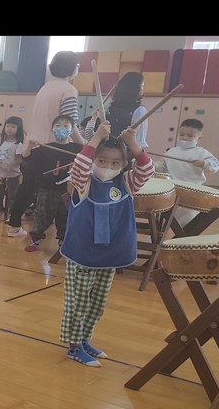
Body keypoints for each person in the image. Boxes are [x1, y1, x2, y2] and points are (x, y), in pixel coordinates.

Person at [58, 122, 154, 367]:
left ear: (124, 164)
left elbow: (146, 169)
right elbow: (79, 166)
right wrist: (95, 138)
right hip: (83, 254)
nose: (107, 167)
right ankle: (74, 346)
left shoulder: (126, 183)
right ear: (93, 160)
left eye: (115, 163)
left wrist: (133, 143)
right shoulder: (84, 181)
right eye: (101, 161)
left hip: (109, 255)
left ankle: (85, 339)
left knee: (97, 304)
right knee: (78, 303)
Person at [19, 115, 83, 250]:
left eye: (65, 126)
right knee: (41, 215)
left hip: (68, 189)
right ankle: (35, 240)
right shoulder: (45, 148)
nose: (61, 128)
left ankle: (63, 241)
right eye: (58, 125)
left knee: (65, 216)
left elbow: (90, 158)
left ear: (72, 130)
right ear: (52, 130)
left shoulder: (78, 149)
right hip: (46, 188)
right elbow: (26, 158)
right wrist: (29, 146)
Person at [152, 118, 219, 227]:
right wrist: (148, 165)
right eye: (182, 135)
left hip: (192, 192)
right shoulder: (172, 152)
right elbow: (162, 167)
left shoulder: (202, 153)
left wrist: (204, 163)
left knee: (188, 218)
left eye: (190, 136)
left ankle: (184, 236)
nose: (185, 138)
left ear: (199, 137)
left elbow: (215, 165)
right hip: (172, 190)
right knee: (165, 216)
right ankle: (161, 234)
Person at [83, 71, 149, 152]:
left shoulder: (110, 107)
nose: (142, 89)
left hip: (107, 151)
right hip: (121, 153)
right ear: (136, 88)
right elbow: (139, 140)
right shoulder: (139, 110)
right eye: (142, 86)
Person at [0, 116, 26, 224]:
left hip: (13, 175)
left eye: (13, 126)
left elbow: (19, 159)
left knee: (13, 196)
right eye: (8, 126)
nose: (9, 128)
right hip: (0, 174)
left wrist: (11, 165)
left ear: (18, 129)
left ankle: (11, 215)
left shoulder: (18, 145)